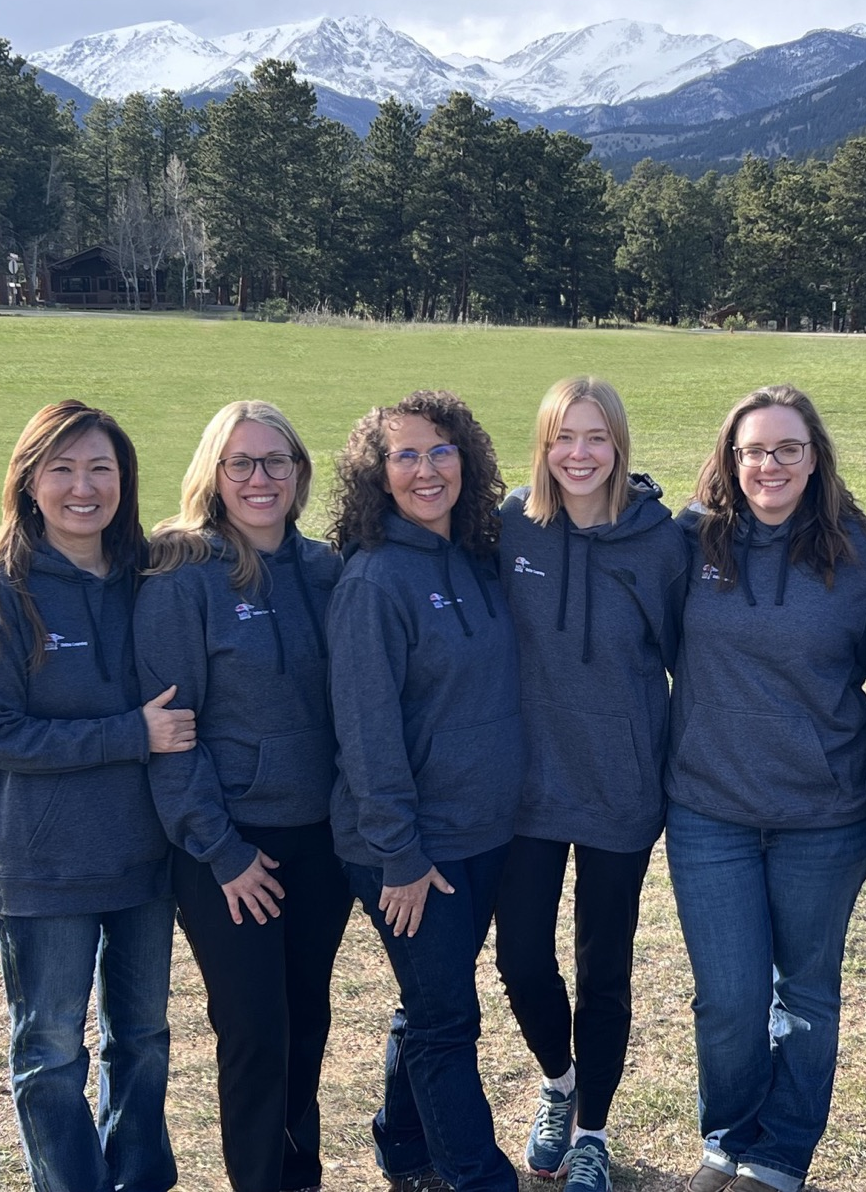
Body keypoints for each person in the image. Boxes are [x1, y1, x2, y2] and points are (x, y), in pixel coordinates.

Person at [0, 400, 192, 1192]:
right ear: (28, 482)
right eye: (62, 468)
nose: (82, 487)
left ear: (123, 478)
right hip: (44, 869)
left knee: (145, 1040)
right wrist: (127, 733)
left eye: (100, 468)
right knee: (52, 1054)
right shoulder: (5, 594)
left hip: (143, 861)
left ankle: (141, 1178)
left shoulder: (148, 579)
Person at [665, 384, 866, 1192]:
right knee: (727, 999)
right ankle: (726, 1139)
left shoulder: (863, 553)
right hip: (708, 808)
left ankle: (780, 1154)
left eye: (787, 449)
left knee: (805, 992)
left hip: (824, 815)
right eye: (753, 449)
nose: (769, 464)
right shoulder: (691, 540)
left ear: (814, 456)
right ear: (731, 459)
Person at [134, 400, 352, 1192]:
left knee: (307, 1020)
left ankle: (300, 1175)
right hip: (227, 848)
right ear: (215, 473)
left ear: (299, 473)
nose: (260, 478)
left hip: (321, 842)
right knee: (256, 1032)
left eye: (276, 462)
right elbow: (171, 730)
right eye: (241, 463)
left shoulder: (328, 570)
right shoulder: (182, 575)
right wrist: (223, 851)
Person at [327, 389, 525, 1192]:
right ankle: (476, 1176)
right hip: (412, 850)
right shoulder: (373, 582)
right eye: (403, 454)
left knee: (427, 1001)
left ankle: (403, 1147)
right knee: (448, 1020)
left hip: (485, 832)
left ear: (466, 460)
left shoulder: (480, 559)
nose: (425, 468)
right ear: (377, 474)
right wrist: (399, 856)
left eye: (440, 449)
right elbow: (366, 733)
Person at [494, 377, 688, 1192]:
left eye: (595, 437)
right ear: (543, 446)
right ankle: (559, 1082)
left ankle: (596, 1131)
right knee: (521, 959)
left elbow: (693, 655)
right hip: (525, 790)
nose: (579, 453)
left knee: (604, 967)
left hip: (620, 790)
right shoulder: (508, 527)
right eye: (563, 437)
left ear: (619, 446)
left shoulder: (661, 542)